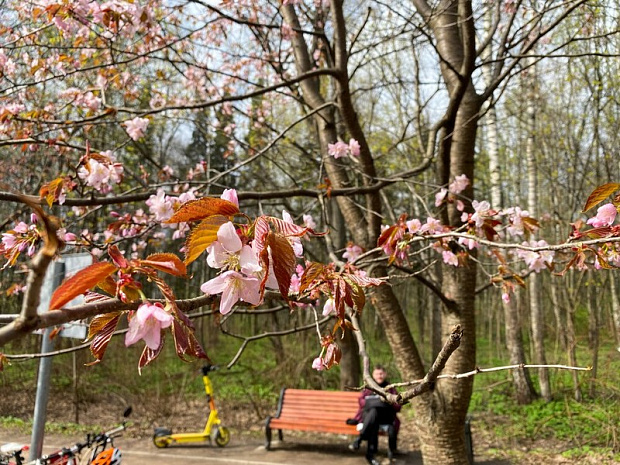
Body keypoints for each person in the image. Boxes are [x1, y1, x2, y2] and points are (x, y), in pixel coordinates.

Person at [347, 365, 401, 465]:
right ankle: (370, 455)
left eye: (381, 373)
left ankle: (359, 440)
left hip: (385, 418)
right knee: (374, 414)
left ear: (385, 374)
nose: (379, 376)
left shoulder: (390, 388)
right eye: (377, 374)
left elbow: (398, 405)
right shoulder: (368, 388)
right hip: (371, 418)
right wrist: (379, 402)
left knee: (375, 410)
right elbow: (362, 402)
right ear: (373, 375)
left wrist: (382, 403)